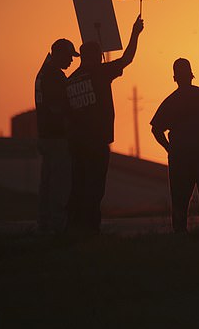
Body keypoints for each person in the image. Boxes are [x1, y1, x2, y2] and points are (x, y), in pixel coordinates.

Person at [65, 15, 144, 235]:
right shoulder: (100, 73)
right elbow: (127, 58)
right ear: (95, 56)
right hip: (96, 141)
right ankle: (91, 228)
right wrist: (135, 33)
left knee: (78, 185)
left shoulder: (70, 80)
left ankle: (74, 226)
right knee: (95, 187)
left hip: (76, 143)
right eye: (99, 55)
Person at [150, 58, 199, 234]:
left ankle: (180, 237)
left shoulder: (171, 101)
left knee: (180, 202)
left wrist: (169, 148)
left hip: (181, 159)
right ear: (191, 75)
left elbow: (156, 130)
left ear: (175, 78)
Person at [34, 38, 79, 233]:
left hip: (46, 135)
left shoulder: (44, 73)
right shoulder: (53, 76)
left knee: (47, 182)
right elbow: (56, 107)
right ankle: (56, 225)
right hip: (57, 136)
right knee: (59, 183)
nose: (71, 61)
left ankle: (45, 223)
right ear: (59, 53)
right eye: (69, 56)